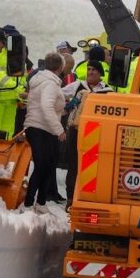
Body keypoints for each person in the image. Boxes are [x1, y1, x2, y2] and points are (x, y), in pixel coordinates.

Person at [61, 60, 112, 204]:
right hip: (76, 131)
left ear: (100, 73)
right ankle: (70, 198)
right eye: (89, 69)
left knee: (93, 166)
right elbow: (60, 94)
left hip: (97, 134)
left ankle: (88, 198)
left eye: (94, 70)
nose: (90, 72)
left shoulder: (108, 91)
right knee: (73, 164)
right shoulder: (78, 86)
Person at [22, 52, 66, 212]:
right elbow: (46, 106)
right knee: (43, 166)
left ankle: (40, 202)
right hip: (42, 129)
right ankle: (29, 203)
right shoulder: (50, 84)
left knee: (47, 166)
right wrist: (59, 130)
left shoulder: (43, 80)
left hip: (39, 127)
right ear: (61, 67)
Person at [0, 28, 24, 139]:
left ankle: (3, 155)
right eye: (3, 42)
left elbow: (20, 77)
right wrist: (20, 91)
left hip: (10, 99)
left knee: (7, 132)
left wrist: (20, 94)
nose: (4, 45)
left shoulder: (0, 54)